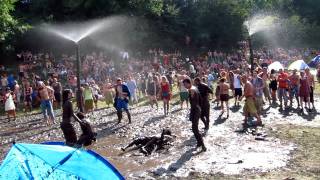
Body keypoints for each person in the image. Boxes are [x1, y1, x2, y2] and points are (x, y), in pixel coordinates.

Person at [183, 78, 207, 152]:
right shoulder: (195, 88)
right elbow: (200, 100)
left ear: (188, 83)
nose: (184, 86)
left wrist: (193, 112)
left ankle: (202, 145)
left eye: (185, 84)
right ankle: (199, 143)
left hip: (195, 110)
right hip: (197, 109)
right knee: (194, 128)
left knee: (195, 129)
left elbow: (193, 103)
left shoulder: (192, 90)